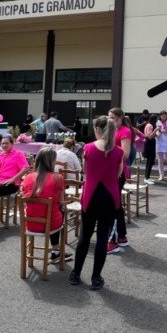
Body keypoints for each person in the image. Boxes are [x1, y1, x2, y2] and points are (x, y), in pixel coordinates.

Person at [69, 115, 123, 291]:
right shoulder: (119, 151)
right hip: (109, 197)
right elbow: (118, 174)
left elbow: (86, 171)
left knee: (85, 236)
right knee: (102, 238)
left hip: (91, 196)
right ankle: (96, 278)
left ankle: (76, 274)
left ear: (98, 130)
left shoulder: (88, 148)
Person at [21, 148, 71, 263]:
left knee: (50, 211)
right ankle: (56, 251)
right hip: (51, 224)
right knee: (60, 211)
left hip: (31, 224)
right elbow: (61, 201)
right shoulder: (58, 177)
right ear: (51, 162)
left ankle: (56, 252)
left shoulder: (27, 177)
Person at [106, 108, 132, 253]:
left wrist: (107, 153)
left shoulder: (125, 131)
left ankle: (113, 240)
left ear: (121, 118)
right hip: (109, 171)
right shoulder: (109, 130)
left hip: (118, 171)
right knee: (116, 205)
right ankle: (121, 237)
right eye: (109, 118)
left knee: (113, 205)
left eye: (114, 118)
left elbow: (126, 153)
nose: (111, 120)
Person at [155, 110, 167, 181]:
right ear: (160, 116)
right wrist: (160, 131)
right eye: (163, 116)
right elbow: (156, 134)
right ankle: (161, 175)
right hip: (160, 142)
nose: (164, 117)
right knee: (160, 160)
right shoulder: (158, 123)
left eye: (165, 116)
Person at [143, 114, 158, 184]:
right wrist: (156, 130)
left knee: (150, 162)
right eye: (156, 120)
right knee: (149, 162)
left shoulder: (148, 125)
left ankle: (147, 177)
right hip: (149, 144)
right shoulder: (150, 126)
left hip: (150, 144)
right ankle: (146, 178)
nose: (157, 121)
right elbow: (149, 137)